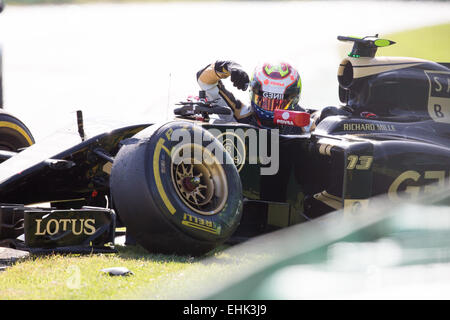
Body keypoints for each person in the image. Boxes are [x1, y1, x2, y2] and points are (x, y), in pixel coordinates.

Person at [196, 60, 309, 134]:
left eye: (277, 103)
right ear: (252, 93)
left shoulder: (306, 123)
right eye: (264, 100)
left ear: (294, 100)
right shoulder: (240, 115)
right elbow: (204, 81)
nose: (270, 109)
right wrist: (228, 68)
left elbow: (322, 120)